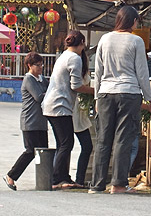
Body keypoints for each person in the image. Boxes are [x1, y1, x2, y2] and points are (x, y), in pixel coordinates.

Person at [89, 5, 151, 195]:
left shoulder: (104, 39)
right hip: (129, 93)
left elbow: (99, 71)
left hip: (105, 93)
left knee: (103, 140)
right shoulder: (136, 41)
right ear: (133, 22)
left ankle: (97, 185)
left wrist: (97, 97)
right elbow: (142, 74)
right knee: (123, 139)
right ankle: (118, 184)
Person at [42, 30, 94, 190]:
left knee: (62, 143)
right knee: (66, 143)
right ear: (82, 42)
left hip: (52, 104)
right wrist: (94, 91)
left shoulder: (64, 56)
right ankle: (56, 179)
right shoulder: (74, 58)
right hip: (60, 106)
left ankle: (63, 177)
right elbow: (76, 86)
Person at [3, 52, 49, 191]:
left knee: (44, 151)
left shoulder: (42, 79)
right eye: (37, 65)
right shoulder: (28, 79)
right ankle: (11, 175)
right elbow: (39, 97)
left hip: (41, 122)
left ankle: (46, 180)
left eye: (41, 64)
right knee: (30, 151)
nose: (40, 67)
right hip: (30, 121)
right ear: (29, 65)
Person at [72, 72, 93, 188]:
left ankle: (79, 179)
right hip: (72, 110)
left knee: (87, 146)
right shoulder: (73, 65)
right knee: (65, 146)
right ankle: (59, 178)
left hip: (80, 112)